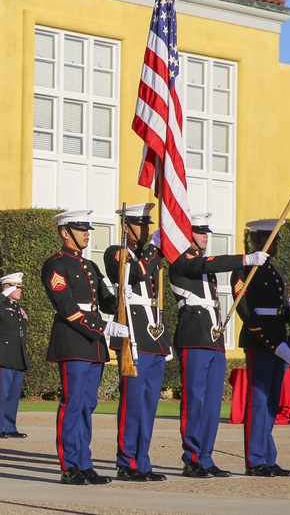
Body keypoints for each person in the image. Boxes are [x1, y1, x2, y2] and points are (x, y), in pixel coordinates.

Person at [170, 212, 267, 478]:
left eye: (206, 232)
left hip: (213, 340)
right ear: (188, 234)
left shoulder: (201, 264)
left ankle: (206, 456)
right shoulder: (182, 262)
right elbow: (208, 264)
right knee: (194, 402)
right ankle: (192, 458)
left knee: (212, 405)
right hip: (193, 339)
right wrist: (245, 259)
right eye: (200, 232)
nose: (205, 236)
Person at [42, 209, 126, 486]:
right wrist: (103, 327)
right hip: (74, 340)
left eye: (87, 229)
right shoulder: (55, 264)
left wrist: (122, 292)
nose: (87, 233)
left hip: (93, 344)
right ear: (65, 232)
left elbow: (106, 302)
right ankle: (69, 466)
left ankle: (85, 463)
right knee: (73, 403)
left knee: (88, 405)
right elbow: (66, 307)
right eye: (81, 229)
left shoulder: (89, 266)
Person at [101, 202, 169, 482]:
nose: (146, 230)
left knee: (149, 405)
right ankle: (127, 461)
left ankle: (143, 461)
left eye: (148, 225)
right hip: (134, 336)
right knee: (132, 404)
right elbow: (140, 272)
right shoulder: (116, 253)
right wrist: (155, 248)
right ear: (126, 227)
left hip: (154, 335)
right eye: (141, 225)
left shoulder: (147, 255)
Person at [232, 219, 290, 477]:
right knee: (259, 401)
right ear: (259, 241)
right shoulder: (245, 270)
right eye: (272, 241)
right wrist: (273, 344)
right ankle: (254, 460)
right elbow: (246, 311)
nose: (276, 246)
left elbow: (280, 309)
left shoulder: (275, 271)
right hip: (260, 341)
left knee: (272, 402)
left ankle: (268, 457)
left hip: (279, 339)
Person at [0, 272, 30, 438]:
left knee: (14, 394)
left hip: (18, 356)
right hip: (4, 355)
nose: (20, 290)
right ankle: (0, 428)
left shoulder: (19, 308)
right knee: (2, 393)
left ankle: (10, 426)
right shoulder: (0, 306)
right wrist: (3, 293)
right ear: (7, 288)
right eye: (16, 287)